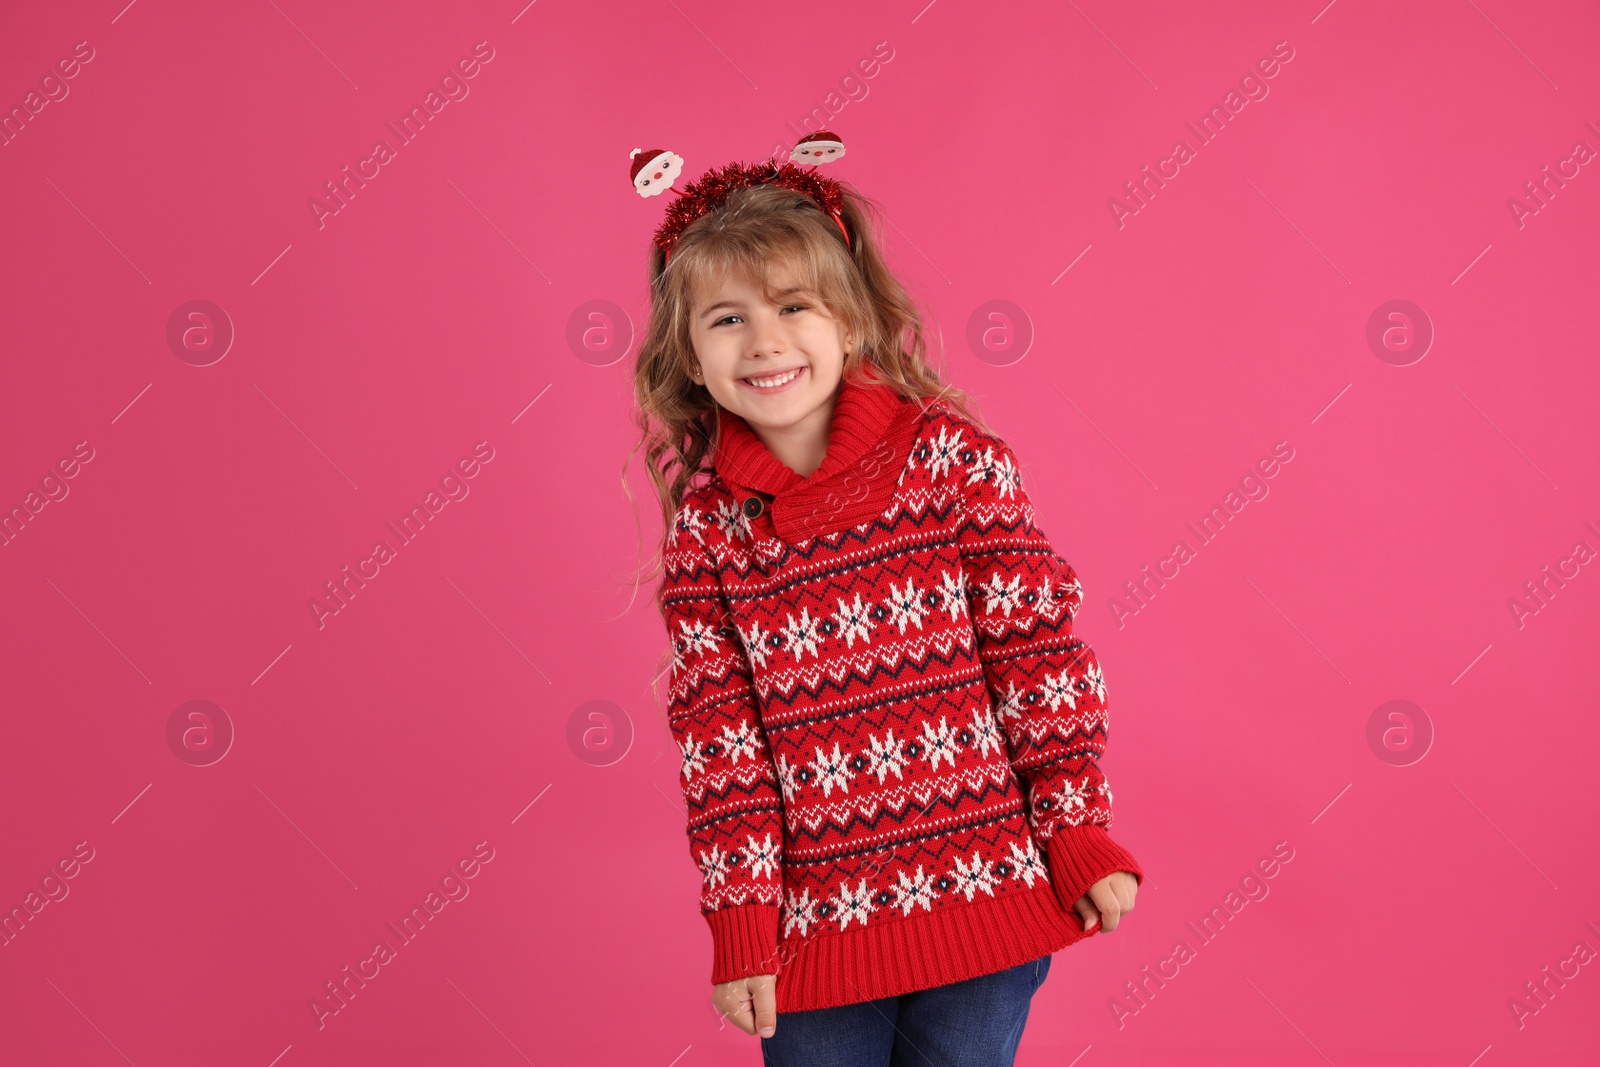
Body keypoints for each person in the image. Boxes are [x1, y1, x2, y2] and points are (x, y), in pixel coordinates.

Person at [626, 146, 1146, 1067]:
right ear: (690, 357)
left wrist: (1075, 827)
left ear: (852, 320)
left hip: (986, 892)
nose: (765, 341)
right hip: (813, 932)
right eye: (728, 318)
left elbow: (1036, 655)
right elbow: (721, 746)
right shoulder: (709, 532)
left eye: (793, 306)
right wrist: (741, 919)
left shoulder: (951, 461)